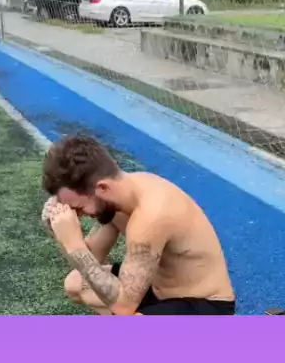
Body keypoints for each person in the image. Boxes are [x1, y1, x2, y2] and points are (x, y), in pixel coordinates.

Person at [41, 135, 236, 316]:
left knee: (129, 318)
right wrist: (59, 231)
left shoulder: (152, 216)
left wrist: (74, 245)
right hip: (157, 288)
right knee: (75, 284)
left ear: (102, 188)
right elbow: (91, 259)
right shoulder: (116, 197)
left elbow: (123, 307)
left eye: (79, 207)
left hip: (205, 304)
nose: (81, 214)